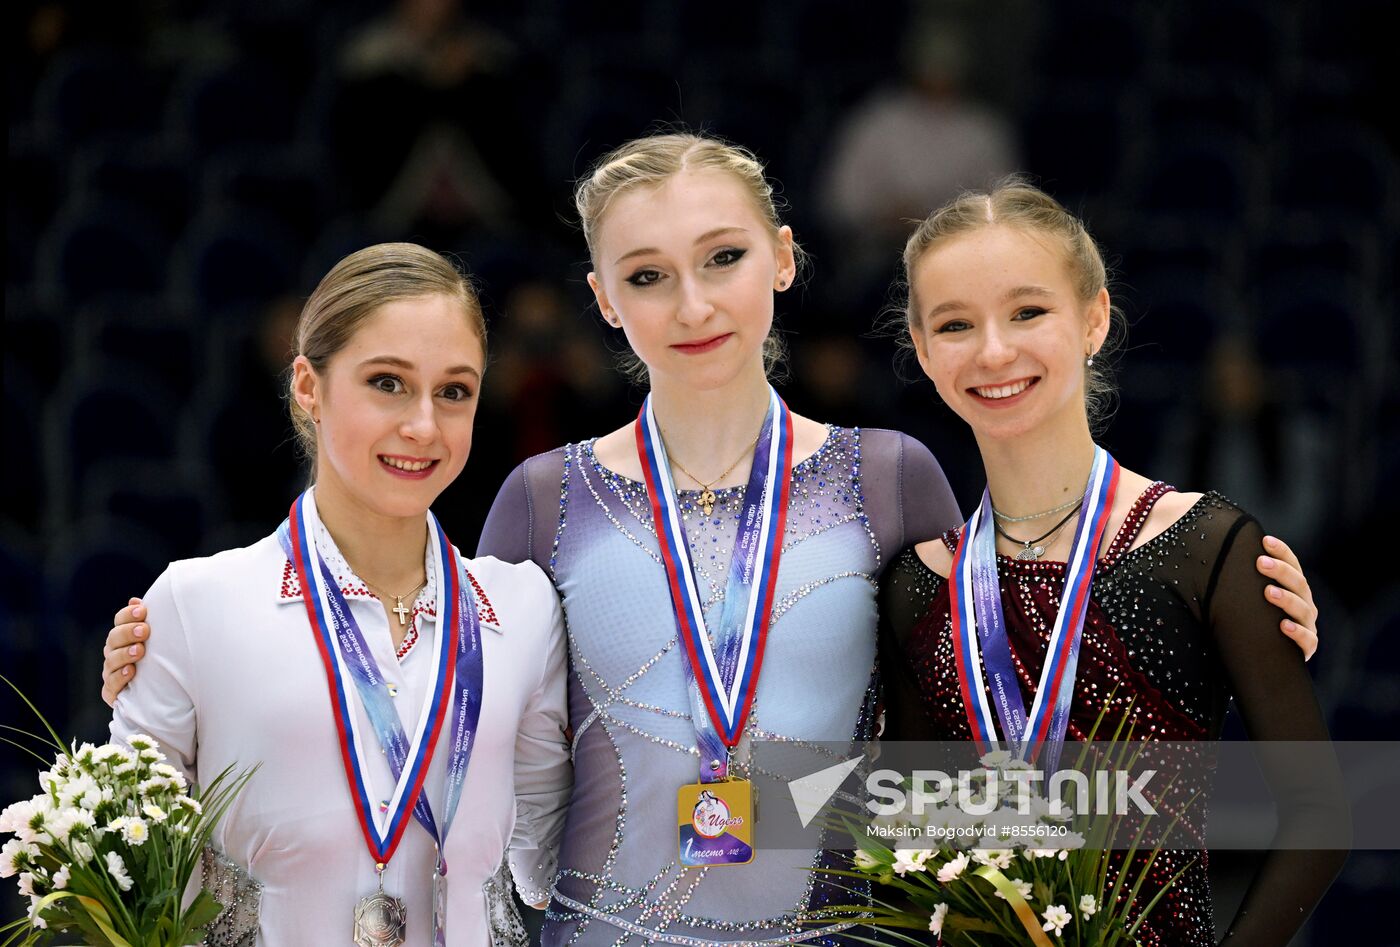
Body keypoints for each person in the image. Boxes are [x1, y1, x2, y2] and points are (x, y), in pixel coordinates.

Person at [100, 135, 1321, 945]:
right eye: (646, 274)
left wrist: (1224, 581)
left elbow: (978, 741)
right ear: (600, 299)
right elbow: (423, 689)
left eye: (723, 259)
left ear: (782, 262)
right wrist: (177, 644)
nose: (690, 305)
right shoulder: (536, 495)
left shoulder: (892, 480)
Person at [877, 180, 1344, 946]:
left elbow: (1321, 815)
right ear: (924, 350)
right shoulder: (919, 584)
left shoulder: (1203, 547)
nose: (994, 350)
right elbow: (910, 828)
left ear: (1094, 318)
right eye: (956, 324)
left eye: (1028, 311)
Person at [107, 243, 571, 946]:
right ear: (308, 386)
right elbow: (127, 886)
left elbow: (557, 866)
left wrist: (769, 799)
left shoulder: (525, 607)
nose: (423, 424)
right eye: (387, 382)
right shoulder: (194, 605)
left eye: (454, 391)